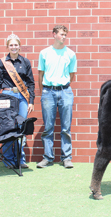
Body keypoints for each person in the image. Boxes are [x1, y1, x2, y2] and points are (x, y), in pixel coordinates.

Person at [0, 34, 35, 169]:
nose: (14, 47)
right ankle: (9, 160)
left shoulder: (25, 62)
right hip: (6, 96)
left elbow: (31, 83)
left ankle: (20, 160)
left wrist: (31, 101)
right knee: (7, 127)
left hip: (22, 96)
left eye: (16, 44)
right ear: (7, 47)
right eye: (11, 45)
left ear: (19, 46)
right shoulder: (2, 62)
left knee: (21, 127)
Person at [37, 25, 77, 169]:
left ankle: (66, 158)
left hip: (65, 91)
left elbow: (72, 75)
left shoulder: (71, 54)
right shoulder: (44, 53)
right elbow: (40, 74)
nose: (64, 37)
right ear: (53, 34)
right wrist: (44, 91)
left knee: (66, 127)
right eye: (61, 34)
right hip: (48, 91)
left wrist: (62, 85)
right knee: (48, 127)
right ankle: (48, 157)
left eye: (65, 35)